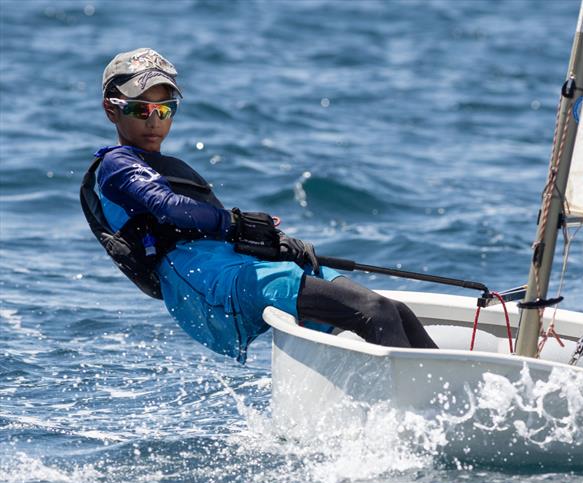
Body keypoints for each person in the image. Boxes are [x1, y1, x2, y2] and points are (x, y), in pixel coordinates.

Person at [81, 48, 436, 363]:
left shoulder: (164, 165)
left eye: (165, 108)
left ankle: (452, 403)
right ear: (111, 111)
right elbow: (170, 209)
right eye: (140, 109)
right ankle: (418, 419)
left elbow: (213, 229)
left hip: (235, 266)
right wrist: (237, 225)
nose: (154, 120)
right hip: (207, 283)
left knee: (393, 311)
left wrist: (275, 246)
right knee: (373, 312)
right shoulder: (117, 165)